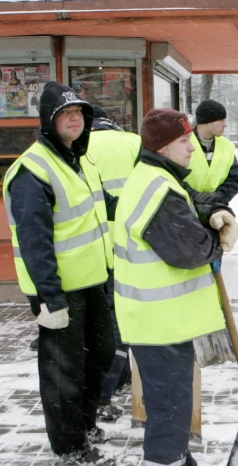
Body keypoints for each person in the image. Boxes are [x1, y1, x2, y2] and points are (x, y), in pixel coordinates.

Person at [114, 108, 238, 466]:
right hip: (160, 325)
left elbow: (186, 207)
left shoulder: (154, 176)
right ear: (164, 147)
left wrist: (213, 210)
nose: (191, 149)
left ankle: (177, 459)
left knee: (171, 408)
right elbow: (190, 250)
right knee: (170, 412)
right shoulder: (157, 189)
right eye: (184, 141)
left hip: (158, 322)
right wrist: (218, 240)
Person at [2, 82, 116, 465]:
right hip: (60, 292)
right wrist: (50, 297)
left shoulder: (78, 160)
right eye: (66, 113)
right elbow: (35, 240)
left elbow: (105, 208)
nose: (75, 119)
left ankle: (84, 425)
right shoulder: (33, 171)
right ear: (49, 122)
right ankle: (70, 448)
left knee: (98, 357)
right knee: (63, 373)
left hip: (92, 282)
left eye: (80, 112)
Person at [86, 104, 142, 423]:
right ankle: (107, 390)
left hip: (93, 249)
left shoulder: (81, 150)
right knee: (124, 321)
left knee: (107, 321)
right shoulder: (134, 142)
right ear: (113, 122)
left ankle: (116, 381)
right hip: (132, 243)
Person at [184, 99, 238, 204]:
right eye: (221, 120)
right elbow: (172, 176)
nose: (225, 125)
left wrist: (219, 195)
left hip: (215, 212)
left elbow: (235, 179)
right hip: (185, 212)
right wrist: (194, 196)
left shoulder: (226, 146)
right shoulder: (182, 143)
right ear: (207, 121)